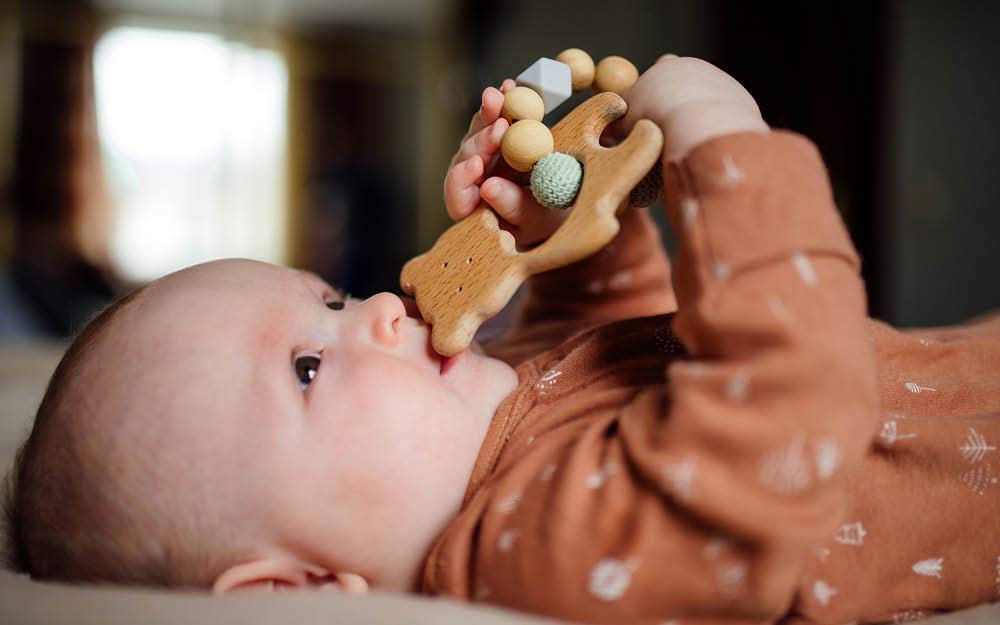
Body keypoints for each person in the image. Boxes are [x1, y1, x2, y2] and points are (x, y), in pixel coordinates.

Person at [4, 55, 999, 625]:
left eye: (336, 298)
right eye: (309, 366)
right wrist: (721, 148)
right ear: (296, 589)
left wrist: (549, 234)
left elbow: (610, 345)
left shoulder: (477, 419)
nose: (383, 308)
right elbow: (786, 414)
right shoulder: (532, 554)